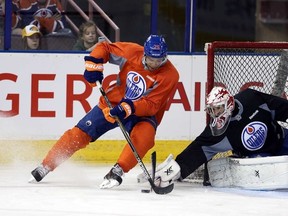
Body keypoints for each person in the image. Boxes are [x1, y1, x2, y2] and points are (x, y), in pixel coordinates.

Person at [29, 35, 180, 189]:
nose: (155, 64)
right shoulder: (132, 52)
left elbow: (152, 104)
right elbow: (105, 48)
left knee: (144, 138)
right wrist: (94, 63)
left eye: (159, 60)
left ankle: (118, 170)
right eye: (151, 59)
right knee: (79, 134)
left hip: (143, 113)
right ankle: (46, 165)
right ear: (145, 54)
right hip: (113, 103)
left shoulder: (170, 74)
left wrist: (127, 108)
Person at [143, 86, 288, 187]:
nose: (216, 113)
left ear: (229, 103)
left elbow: (281, 107)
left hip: (281, 137)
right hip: (259, 158)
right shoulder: (217, 131)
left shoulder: (251, 99)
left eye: (218, 108)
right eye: (212, 109)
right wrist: (175, 169)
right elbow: (197, 149)